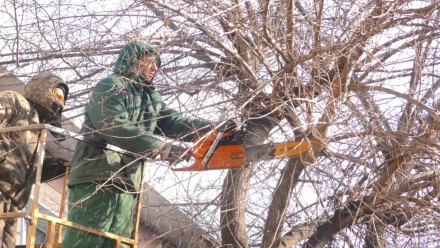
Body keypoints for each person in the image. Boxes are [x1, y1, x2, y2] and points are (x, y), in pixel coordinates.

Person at [63, 41, 215, 248]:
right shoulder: (110, 86)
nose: (155, 68)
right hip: (96, 178)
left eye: (157, 64)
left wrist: (212, 129)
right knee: (87, 240)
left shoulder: (150, 98)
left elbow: (172, 122)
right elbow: (115, 126)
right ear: (132, 60)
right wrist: (159, 147)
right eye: (149, 62)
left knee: (120, 243)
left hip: (126, 184)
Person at [0, 72, 69, 247]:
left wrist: (57, 167)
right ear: (43, 88)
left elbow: (30, 171)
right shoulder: (16, 102)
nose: (60, 103)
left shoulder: (39, 133)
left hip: (14, 204)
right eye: (58, 95)